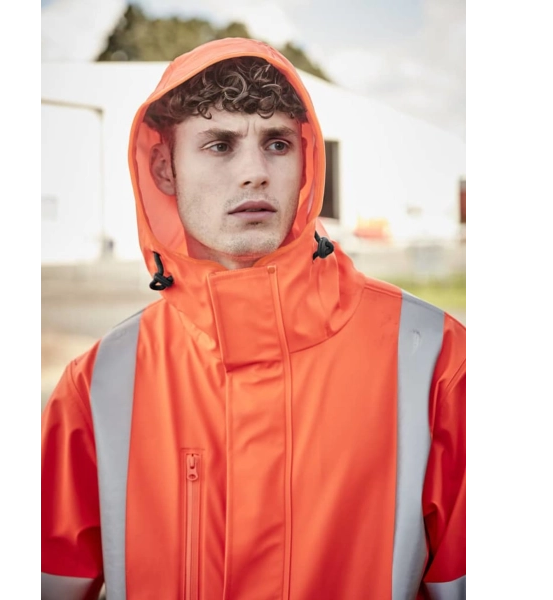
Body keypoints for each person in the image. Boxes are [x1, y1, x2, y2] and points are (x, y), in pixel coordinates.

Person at [41, 37, 467, 600]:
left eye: (277, 144)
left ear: (305, 161)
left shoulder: (434, 357)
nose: (255, 173)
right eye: (220, 145)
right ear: (164, 169)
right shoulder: (98, 385)